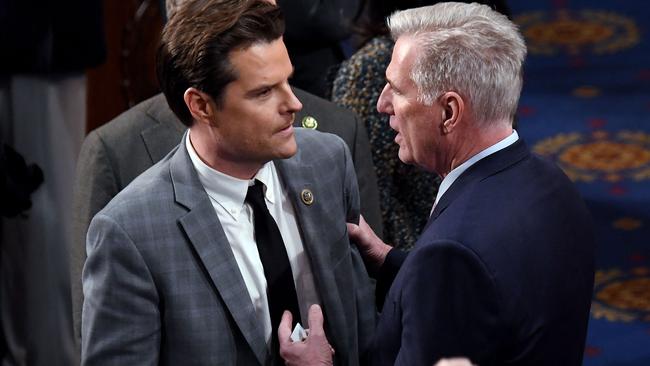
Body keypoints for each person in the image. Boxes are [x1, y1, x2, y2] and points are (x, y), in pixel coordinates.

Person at [281, 3, 595, 365]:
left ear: (448, 112)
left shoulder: (451, 253)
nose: (383, 105)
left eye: (397, 90)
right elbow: (496, 291)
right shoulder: (554, 185)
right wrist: (391, 263)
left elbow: (465, 264)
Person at [80, 0, 375, 364]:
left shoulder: (328, 161)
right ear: (201, 106)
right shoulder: (129, 233)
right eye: (264, 92)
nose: (294, 103)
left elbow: (363, 335)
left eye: (288, 81)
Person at [331, 0, 511, 250]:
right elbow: (369, 198)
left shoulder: (488, 48)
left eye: (395, 89)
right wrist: (405, 261)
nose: (382, 105)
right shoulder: (368, 70)